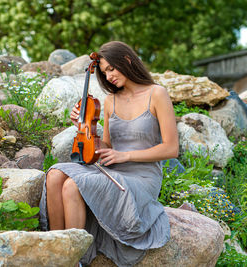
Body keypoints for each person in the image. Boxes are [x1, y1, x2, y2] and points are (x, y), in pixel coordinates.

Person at [39, 40, 179, 267]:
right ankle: (58, 252)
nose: (109, 76)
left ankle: (76, 260)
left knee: (73, 185)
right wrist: (82, 125)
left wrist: (126, 156)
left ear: (126, 59)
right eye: (104, 72)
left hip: (142, 178)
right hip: (111, 170)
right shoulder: (110, 101)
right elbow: (105, 147)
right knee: (55, 174)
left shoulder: (157, 94)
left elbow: (171, 148)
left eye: (111, 68)